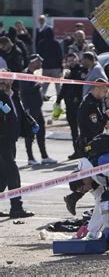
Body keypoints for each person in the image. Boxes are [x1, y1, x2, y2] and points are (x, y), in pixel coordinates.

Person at [64, 79, 109, 216]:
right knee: (93, 174)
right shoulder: (90, 105)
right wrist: (106, 118)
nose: (106, 94)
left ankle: (74, 197)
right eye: (104, 91)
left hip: (94, 144)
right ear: (96, 89)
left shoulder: (96, 102)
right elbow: (96, 128)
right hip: (89, 145)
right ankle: (74, 194)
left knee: (96, 176)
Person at [0, 69, 36, 218]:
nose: (2, 82)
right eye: (0, 79)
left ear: (11, 81)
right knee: (13, 173)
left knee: (3, 176)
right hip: (1, 141)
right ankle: (16, 207)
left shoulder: (13, 95)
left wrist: (31, 123)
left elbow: (20, 113)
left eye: (5, 79)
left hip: (10, 141)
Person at [20, 54, 57, 165]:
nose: (41, 64)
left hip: (37, 108)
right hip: (30, 109)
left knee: (41, 132)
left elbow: (34, 91)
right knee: (30, 133)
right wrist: (39, 84)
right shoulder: (25, 74)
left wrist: (43, 97)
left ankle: (44, 156)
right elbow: (26, 91)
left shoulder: (32, 74)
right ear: (33, 62)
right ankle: (30, 158)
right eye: (39, 61)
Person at [55, 53, 88, 159]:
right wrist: (58, 100)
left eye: (73, 59)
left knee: (83, 129)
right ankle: (77, 151)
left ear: (77, 59)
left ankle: (85, 150)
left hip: (80, 105)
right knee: (73, 130)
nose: (71, 62)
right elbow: (64, 87)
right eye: (69, 60)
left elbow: (82, 87)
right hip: (69, 106)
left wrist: (78, 98)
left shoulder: (82, 71)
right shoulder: (68, 73)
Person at [37, 26, 63, 99]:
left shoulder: (41, 43)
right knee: (58, 86)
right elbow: (60, 55)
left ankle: (41, 98)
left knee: (45, 85)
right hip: (56, 67)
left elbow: (39, 55)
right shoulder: (56, 43)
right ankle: (59, 100)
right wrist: (61, 67)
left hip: (46, 67)